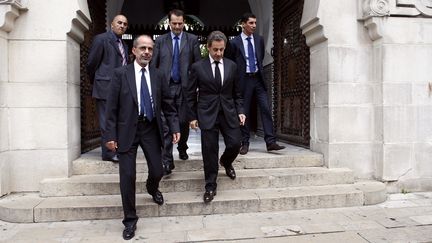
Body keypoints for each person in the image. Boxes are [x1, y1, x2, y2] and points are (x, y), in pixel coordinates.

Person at [105, 35, 180, 240]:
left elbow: (168, 105)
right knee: (127, 177)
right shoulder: (120, 74)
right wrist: (110, 135)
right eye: (143, 48)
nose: (147, 52)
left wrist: (174, 127)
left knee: (158, 170)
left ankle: (151, 186)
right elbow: (111, 108)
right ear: (134, 51)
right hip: (126, 130)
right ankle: (130, 220)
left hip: (150, 129)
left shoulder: (158, 75)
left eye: (150, 49)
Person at [187, 31, 246, 203]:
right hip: (207, 113)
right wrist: (192, 117)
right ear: (208, 47)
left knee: (235, 143)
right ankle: (210, 185)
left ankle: (226, 162)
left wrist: (241, 110)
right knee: (209, 150)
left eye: (221, 50)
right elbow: (190, 94)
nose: (219, 53)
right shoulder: (198, 67)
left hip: (229, 112)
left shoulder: (232, 66)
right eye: (215, 50)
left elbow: (237, 93)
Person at [226, 13, 285, 155]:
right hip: (243, 80)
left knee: (265, 108)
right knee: (243, 112)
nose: (254, 26)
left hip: (258, 79)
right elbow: (230, 62)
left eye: (255, 23)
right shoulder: (234, 43)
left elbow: (260, 57)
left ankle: (270, 142)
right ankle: (244, 143)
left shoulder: (259, 40)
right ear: (243, 24)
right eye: (251, 23)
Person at [151, 9, 201, 175]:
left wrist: (196, 84)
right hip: (165, 87)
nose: (177, 26)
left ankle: (182, 146)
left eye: (180, 23)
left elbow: (196, 64)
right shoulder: (160, 41)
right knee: (165, 124)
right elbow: (154, 65)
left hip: (185, 87)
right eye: (174, 23)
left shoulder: (192, 39)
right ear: (169, 23)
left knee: (182, 121)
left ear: (184, 22)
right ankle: (167, 160)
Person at [86, 14, 129, 162]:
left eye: (124, 24)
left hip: (120, 90)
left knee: (117, 121)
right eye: (119, 23)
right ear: (112, 24)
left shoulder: (124, 45)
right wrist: (98, 81)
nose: (122, 25)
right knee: (106, 122)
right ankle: (109, 153)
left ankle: (117, 149)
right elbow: (91, 63)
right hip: (104, 88)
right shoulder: (101, 39)